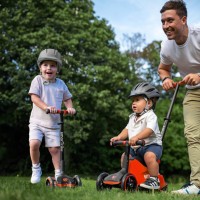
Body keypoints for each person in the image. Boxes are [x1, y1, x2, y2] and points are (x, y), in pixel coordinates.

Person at [158, 0, 200, 195]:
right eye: (163, 22)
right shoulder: (167, 47)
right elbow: (163, 68)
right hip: (193, 93)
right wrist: (166, 78)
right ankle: (198, 185)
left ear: (183, 20)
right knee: (192, 135)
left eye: (170, 20)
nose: (166, 26)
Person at [28, 49, 76, 184]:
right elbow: (34, 98)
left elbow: (67, 98)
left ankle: (58, 174)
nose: (49, 68)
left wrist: (70, 108)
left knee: (55, 149)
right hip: (37, 121)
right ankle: (36, 168)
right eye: (45, 65)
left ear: (57, 69)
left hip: (54, 124)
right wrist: (46, 107)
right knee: (34, 143)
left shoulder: (61, 84)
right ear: (40, 67)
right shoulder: (37, 80)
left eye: (53, 65)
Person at [110, 82, 162, 190]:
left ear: (149, 103)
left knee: (149, 157)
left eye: (137, 100)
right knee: (125, 156)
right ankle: (128, 177)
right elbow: (127, 129)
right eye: (133, 100)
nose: (134, 103)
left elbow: (149, 130)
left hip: (151, 146)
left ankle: (154, 180)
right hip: (136, 147)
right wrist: (119, 137)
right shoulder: (132, 117)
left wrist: (137, 137)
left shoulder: (151, 116)